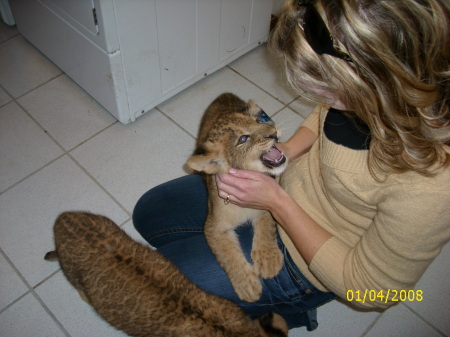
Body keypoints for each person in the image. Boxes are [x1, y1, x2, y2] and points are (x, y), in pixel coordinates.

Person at [133, 0, 449, 331]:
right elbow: (324, 114)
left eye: (330, 90)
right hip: (287, 186)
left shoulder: (434, 187)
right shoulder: (381, 92)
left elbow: (373, 291)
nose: (323, 101)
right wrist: (287, 150)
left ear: (378, 82)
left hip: (313, 257)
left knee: (153, 293)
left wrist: (277, 204)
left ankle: (290, 306)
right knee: (148, 214)